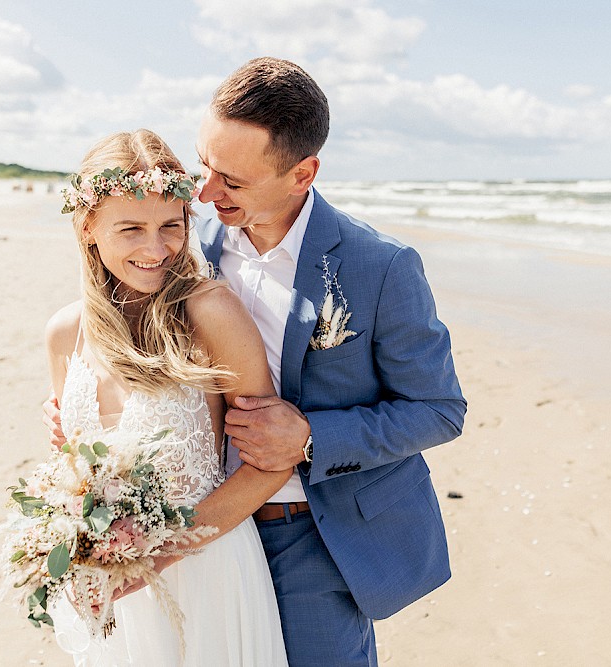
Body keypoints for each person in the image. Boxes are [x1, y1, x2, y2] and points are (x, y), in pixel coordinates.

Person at [47, 57, 466, 666]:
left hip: (317, 533)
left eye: (233, 181)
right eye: (205, 166)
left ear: (302, 174)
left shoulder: (379, 267)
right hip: (201, 525)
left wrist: (310, 436)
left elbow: (439, 410)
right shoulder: (189, 244)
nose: (208, 193)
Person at [43, 129, 289, 665]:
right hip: (113, 590)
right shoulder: (66, 334)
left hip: (209, 573)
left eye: (170, 226)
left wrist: (157, 555)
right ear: (88, 228)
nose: (156, 249)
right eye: (130, 228)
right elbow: (74, 470)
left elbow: (269, 465)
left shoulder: (209, 313)